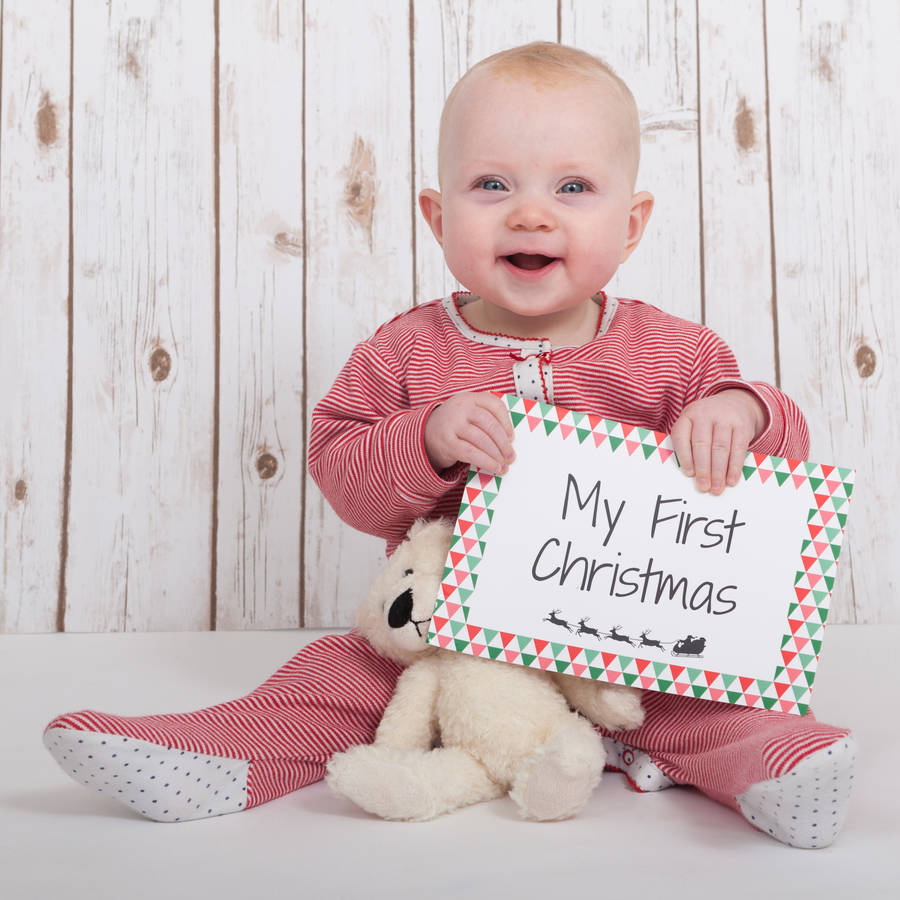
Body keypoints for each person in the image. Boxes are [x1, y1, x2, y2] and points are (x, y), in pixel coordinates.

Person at [44, 42, 855, 848]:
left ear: (631, 223)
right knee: (333, 677)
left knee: (725, 705)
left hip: (626, 654)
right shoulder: (404, 352)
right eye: (492, 185)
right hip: (444, 642)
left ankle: (777, 771)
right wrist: (424, 440)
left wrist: (743, 413)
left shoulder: (682, 356)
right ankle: (215, 756)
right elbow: (342, 474)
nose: (531, 213)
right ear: (438, 217)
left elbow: (773, 478)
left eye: (573, 187)